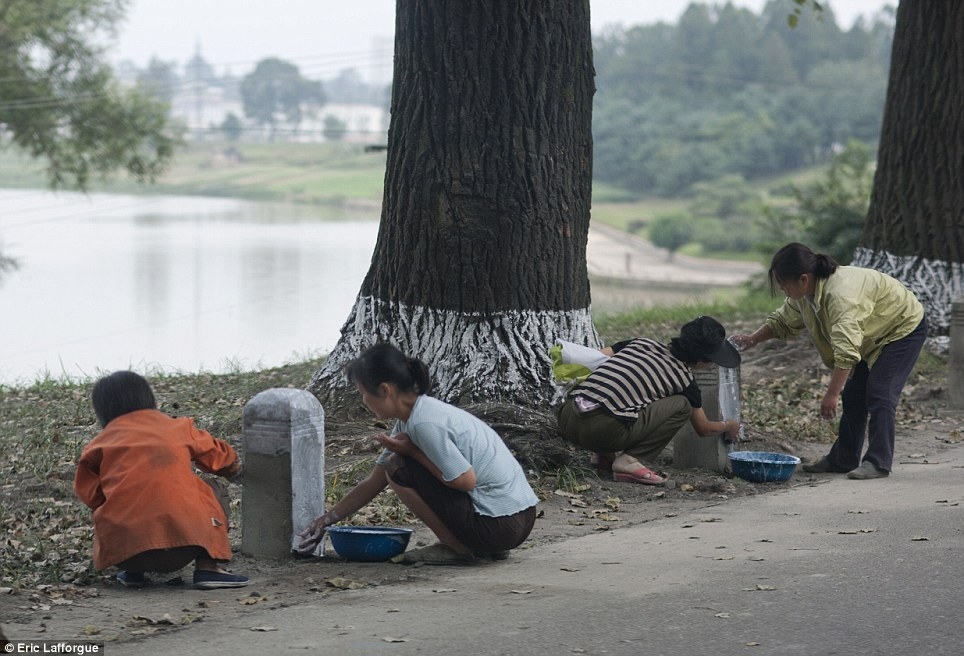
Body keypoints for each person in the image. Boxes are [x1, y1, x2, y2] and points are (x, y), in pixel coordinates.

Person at [297, 343, 539, 565]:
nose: (363, 401)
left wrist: (413, 453)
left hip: (500, 527)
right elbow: (373, 482)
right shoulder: (417, 415)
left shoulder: (424, 424)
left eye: (363, 392)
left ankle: (456, 549)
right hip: (520, 520)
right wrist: (326, 520)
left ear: (384, 390)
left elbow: (466, 481)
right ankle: (482, 547)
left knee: (398, 467)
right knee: (396, 465)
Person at [731, 243, 926, 480]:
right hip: (871, 333)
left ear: (804, 278)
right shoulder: (806, 294)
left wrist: (831, 394)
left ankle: (878, 462)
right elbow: (784, 320)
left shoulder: (840, 295)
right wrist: (752, 339)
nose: (783, 290)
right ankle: (843, 459)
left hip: (901, 327)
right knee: (854, 395)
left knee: (880, 392)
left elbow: (846, 351)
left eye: (784, 284)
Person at [74, 371, 249, 589]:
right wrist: (234, 470)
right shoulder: (178, 428)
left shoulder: (97, 446)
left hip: (126, 552)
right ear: (149, 398)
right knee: (214, 488)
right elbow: (222, 458)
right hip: (187, 544)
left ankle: (133, 574)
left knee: (118, 501)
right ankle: (209, 567)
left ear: (102, 410)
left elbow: (91, 496)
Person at [556, 316, 743, 485]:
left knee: (624, 398)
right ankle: (628, 461)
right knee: (682, 406)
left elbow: (598, 357)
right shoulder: (685, 380)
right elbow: (704, 428)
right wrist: (730, 425)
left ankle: (604, 455)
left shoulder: (640, 343)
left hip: (567, 416)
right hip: (604, 432)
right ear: (702, 359)